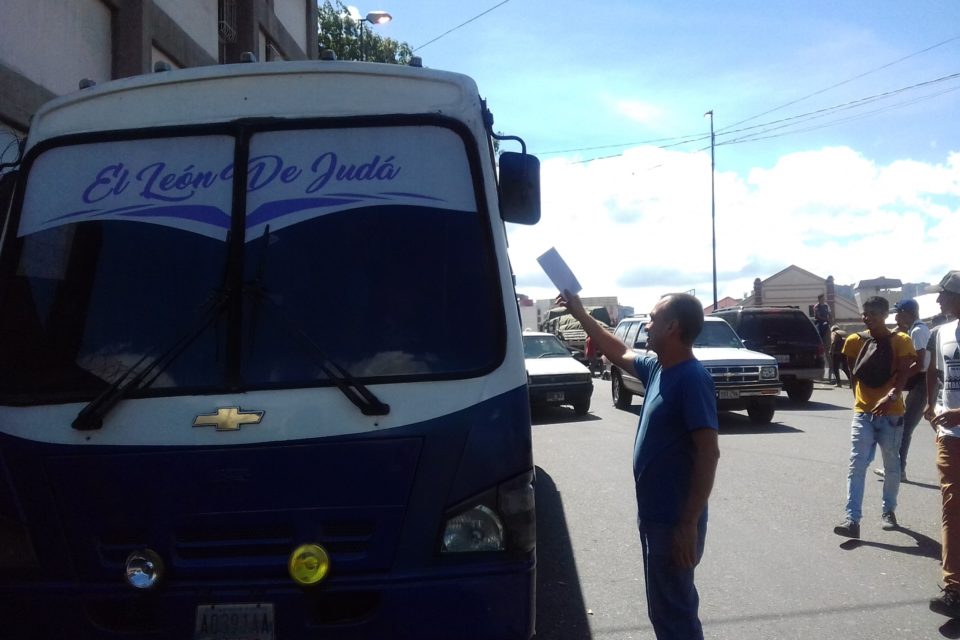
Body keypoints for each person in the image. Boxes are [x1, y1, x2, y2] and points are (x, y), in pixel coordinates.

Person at [557, 289, 719, 640]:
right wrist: (581, 313)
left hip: (674, 520)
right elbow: (616, 349)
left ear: (672, 326)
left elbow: (709, 454)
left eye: (653, 318)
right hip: (656, 516)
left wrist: (688, 524)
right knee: (665, 609)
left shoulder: (692, 379)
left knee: (675, 613)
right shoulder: (658, 368)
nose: (647, 324)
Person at [833, 296, 915, 539]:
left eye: (874, 314)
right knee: (856, 464)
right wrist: (862, 399)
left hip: (892, 414)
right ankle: (852, 520)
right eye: (866, 313)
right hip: (863, 413)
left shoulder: (901, 340)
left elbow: (904, 374)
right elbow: (852, 372)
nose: (868, 318)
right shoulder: (853, 340)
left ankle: (888, 511)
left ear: (886, 315)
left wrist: (890, 396)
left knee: (892, 466)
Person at [924, 271, 960, 618]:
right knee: (952, 506)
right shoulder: (942, 333)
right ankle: (954, 588)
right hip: (951, 436)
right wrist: (933, 405)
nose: (938, 301)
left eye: (944, 295)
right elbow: (937, 373)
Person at [873, 298, 929, 483]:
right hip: (919, 383)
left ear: (907, 312)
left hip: (923, 383)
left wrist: (898, 378)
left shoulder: (918, 331)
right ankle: (896, 469)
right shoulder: (914, 329)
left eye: (899, 312)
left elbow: (920, 364)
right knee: (904, 427)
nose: (896, 316)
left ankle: (898, 470)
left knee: (905, 428)